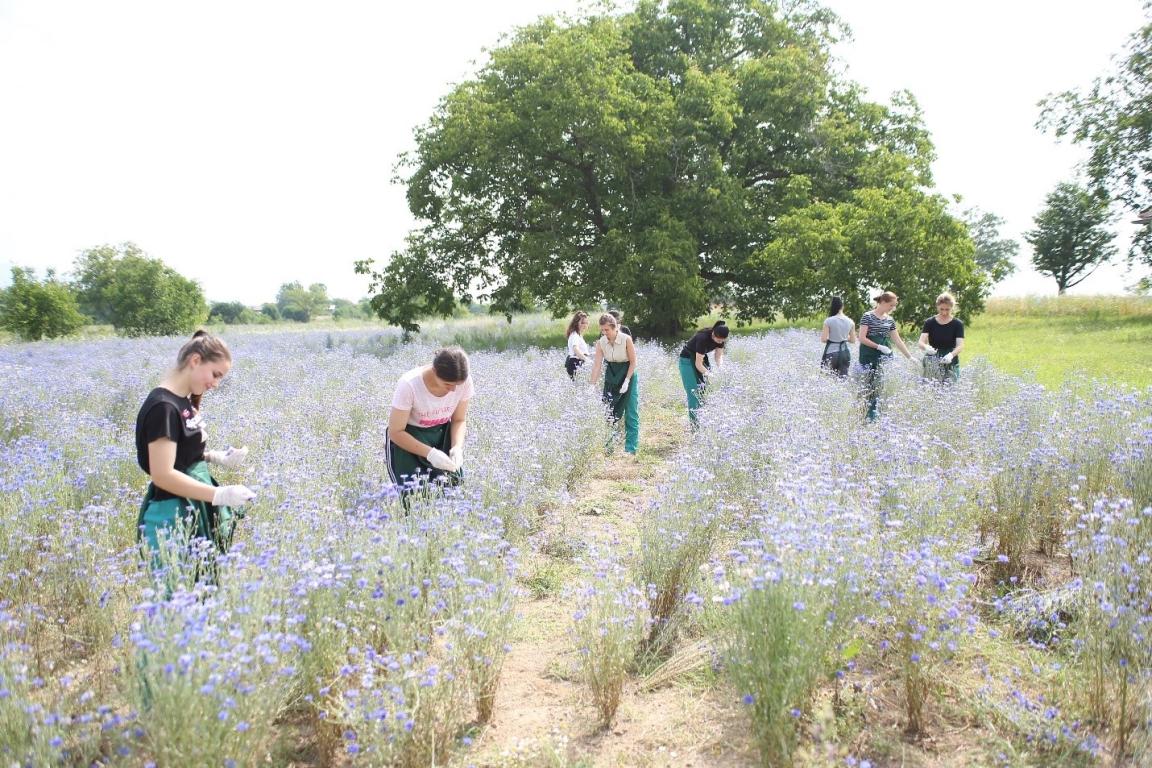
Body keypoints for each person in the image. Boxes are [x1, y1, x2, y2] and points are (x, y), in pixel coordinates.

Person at [135, 331, 255, 579]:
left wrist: (214, 457)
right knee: (178, 597)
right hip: (172, 514)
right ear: (195, 360)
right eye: (215, 374)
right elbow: (163, 475)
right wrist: (220, 494)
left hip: (190, 506)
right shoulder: (163, 407)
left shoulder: (181, 401)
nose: (215, 383)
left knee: (201, 590)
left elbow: (180, 454)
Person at [385, 346, 472, 495]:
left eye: (456, 385)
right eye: (447, 384)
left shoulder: (463, 382)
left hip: (442, 433)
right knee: (412, 495)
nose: (453, 390)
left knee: (452, 488)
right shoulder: (409, 384)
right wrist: (430, 454)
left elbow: (458, 419)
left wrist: (457, 447)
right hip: (408, 439)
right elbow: (395, 432)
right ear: (434, 371)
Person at [588, 313, 639, 455]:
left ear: (615, 328)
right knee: (609, 411)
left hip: (628, 372)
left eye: (607, 330)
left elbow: (634, 362)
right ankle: (609, 448)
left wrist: (627, 381)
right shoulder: (601, 342)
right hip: (612, 374)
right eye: (602, 330)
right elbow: (597, 365)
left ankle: (630, 449)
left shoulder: (626, 339)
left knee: (631, 411)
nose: (604, 333)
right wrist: (592, 385)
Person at [857, 291, 912, 421]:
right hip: (869, 354)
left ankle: (874, 416)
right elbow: (862, 338)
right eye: (891, 305)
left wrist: (909, 356)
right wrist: (878, 346)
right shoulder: (868, 316)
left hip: (884, 354)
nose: (893, 308)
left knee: (880, 385)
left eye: (894, 305)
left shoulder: (890, 320)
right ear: (882, 302)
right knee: (868, 384)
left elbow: (897, 340)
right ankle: (864, 415)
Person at [678, 320, 729, 427]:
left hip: (699, 360)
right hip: (687, 361)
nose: (719, 342)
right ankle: (695, 427)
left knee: (703, 391)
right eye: (718, 340)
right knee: (694, 393)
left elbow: (718, 356)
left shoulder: (721, 339)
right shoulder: (703, 338)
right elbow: (698, 364)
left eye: (722, 341)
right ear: (713, 334)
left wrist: (721, 369)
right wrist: (710, 374)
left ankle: (703, 421)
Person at [918, 292, 965, 382]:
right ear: (937, 307)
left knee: (951, 389)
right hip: (932, 357)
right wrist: (926, 347)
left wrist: (951, 355)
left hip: (950, 359)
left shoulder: (957, 324)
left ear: (952, 308)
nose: (944, 312)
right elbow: (920, 342)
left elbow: (960, 345)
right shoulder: (929, 322)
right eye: (941, 309)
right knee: (931, 388)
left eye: (947, 309)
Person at [819, 297, 857, 377]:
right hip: (844, 353)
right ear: (842, 306)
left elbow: (823, 339)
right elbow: (853, 340)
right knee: (843, 379)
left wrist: (835, 339)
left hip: (831, 353)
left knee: (829, 379)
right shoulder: (850, 321)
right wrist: (843, 338)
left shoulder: (829, 321)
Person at [564, 311, 592, 379]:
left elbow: (582, 352)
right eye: (582, 323)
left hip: (577, 362)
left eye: (586, 323)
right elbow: (576, 349)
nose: (585, 325)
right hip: (575, 363)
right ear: (576, 323)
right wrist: (586, 359)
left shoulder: (578, 335)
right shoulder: (575, 335)